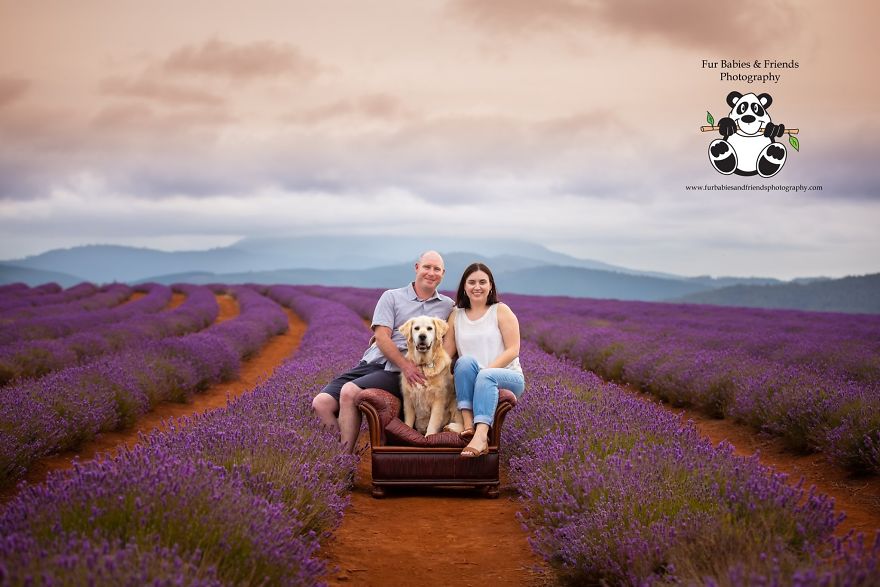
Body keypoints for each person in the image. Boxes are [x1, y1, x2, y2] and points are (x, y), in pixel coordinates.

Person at [313, 250, 454, 453]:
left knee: (349, 391)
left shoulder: (447, 306)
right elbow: (381, 338)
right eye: (427, 267)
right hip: (374, 363)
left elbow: (452, 339)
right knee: (321, 404)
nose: (431, 273)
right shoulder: (392, 297)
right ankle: (336, 459)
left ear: (443, 273)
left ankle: (344, 461)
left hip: (394, 371)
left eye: (437, 269)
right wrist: (407, 366)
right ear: (417, 268)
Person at [443, 262, 525, 458]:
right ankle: (468, 424)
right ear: (464, 286)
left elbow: (513, 349)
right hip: (473, 378)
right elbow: (446, 354)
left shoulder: (501, 310)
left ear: (490, 286)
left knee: (486, 376)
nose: (477, 287)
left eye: (482, 282)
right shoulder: (456, 315)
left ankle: (480, 437)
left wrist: (484, 373)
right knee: (463, 362)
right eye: (471, 282)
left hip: (507, 375)